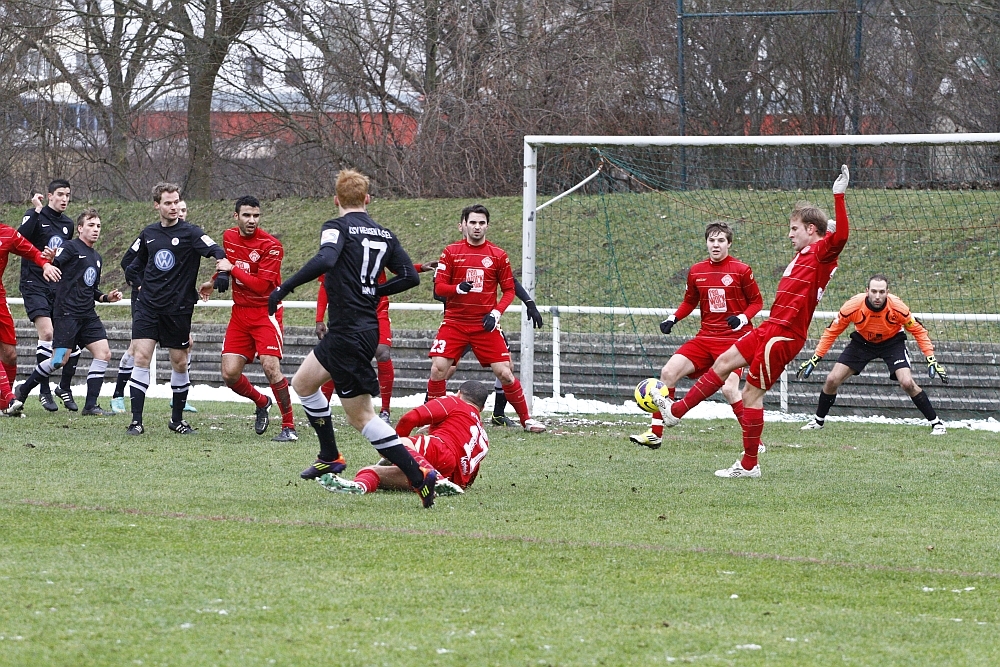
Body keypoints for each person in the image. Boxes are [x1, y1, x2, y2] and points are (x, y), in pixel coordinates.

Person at [654, 165, 852, 478]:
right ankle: (676, 411)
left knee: (750, 395)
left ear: (811, 230)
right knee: (723, 363)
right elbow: (829, 236)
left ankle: (749, 465)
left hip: (784, 336)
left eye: (794, 228)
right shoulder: (807, 253)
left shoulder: (820, 253)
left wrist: (838, 197)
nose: (790, 234)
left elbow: (840, 237)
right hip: (770, 327)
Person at [267, 169, 439, 508]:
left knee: (362, 417)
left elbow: (327, 258)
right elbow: (409, 276)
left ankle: (418, 473)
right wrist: (376, 291)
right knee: (304, 384)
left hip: (348, 332)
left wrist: (284, 287)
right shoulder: (384, 234)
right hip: (361, 329)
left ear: (336, 199)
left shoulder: (336, 226)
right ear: (367, 199)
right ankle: (329, 455)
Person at [630, 221, 763, 448]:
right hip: (705, 337)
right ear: (706, 243)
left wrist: (742, 318)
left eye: (721, 240)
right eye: (711, 240)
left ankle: (754, 442)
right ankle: (655, 433)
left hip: (734, 341)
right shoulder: (697, 271)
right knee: (668, 372)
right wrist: (673, 318)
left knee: (729, 389)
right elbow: (690, 301)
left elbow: (757, 302)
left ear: (729, 243)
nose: (716, 245)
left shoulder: (741, 270)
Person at [427, 203, 545, 433]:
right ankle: (435, 423)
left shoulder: (498, 255)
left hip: (485, 325)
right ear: (463, 225)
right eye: (473, 222)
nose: (477, 227)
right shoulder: (451, 252)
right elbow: (439, 288)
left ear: (487, 226)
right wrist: (456, 289)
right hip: (455, 323)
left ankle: (526, 420)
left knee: (505, 372)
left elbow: (509, 289)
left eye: (481, 223)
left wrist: (496, 312)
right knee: (438, 369)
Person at [123, 182, 229, 435]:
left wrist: (222, 273)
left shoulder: (191, 233)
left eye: (176, 202)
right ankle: (136, 422)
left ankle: (177, 420)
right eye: (168, 203)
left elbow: (217, 250)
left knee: (179, 363)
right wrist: (138, 282)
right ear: (156, 205)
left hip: (178, 309)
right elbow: (132, 264)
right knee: (141, 358)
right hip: (148, 307)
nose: (173, 207)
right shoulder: (149, 233)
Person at [198, 196, 297, 442]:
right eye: (246, 215)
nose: (252, 220)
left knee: (270, 367)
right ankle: (262, 401)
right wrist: (213, 281)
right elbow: (227, 263)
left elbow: (262, 285)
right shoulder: (229, 236)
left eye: (256, 216)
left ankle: (289, 426)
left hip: (265, 312)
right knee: (229, 374)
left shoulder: (271, 246)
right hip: (240, 313)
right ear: (236, 216)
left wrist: (232, 270)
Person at [797, 274, 948, 435]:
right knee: (832, 380)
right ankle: (818, 421)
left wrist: (930, 357)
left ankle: (937, 424)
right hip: (862, 342)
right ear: (867, 291)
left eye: (881, 292)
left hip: (892, 342)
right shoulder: (853, 306)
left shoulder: (898, 307)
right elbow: (832, 331)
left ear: (887, 292)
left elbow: (918, 330)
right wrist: (816, 357)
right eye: (874, 291)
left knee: (907, 383)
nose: (877, 296)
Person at [14, 209, 122, 415]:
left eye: (98, 226)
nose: (96, 230)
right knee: (58, 360)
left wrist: (107, 298)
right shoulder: (70, 247)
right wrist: (51, 259)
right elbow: (55, 262)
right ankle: (24, 390)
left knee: (104, 353)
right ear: (80, 228)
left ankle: (90, 406)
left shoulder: (97, 257)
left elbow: (92, 290)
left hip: (88, 315)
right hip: (67, 313)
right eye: (91, 225)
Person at [314, 261, 440, 423]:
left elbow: (397, 266)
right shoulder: (337, 251)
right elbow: (325, 285)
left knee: (383, 353)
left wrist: (420, 268)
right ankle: (323, 409)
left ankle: (385, 410)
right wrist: (319, 319)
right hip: (348, 313)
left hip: (377, 310)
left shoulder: (378, 246)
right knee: (339, 356)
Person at [319, 380, 489, 497]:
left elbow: (410, 419)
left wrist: (396, 449)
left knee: (398, 444)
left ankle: (434, 479)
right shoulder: (482, 436)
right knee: (370, 471)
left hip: (441, 452)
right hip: (451, 476)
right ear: (481, 408)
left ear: (459, 393)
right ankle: (359, 486)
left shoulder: (455, 402)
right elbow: (468, 477)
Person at [17, 179, 81, 412]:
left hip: (56, 286)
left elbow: (65, 255)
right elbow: (19, 240)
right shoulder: (35, 214)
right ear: (50, 195)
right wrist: (36, 210)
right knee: (47, 333)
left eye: (68, 195)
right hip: (33, 283)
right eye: (60, 194)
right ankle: (44, 390)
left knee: (69, 338)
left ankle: (62, 387)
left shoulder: (68, 224)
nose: (64, 199)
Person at [0, 221, 61, 415]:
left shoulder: (7, 234)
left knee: (10, 355)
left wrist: (45, 264)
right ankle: (10, 399)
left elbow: (33, 252)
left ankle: (4, 406)